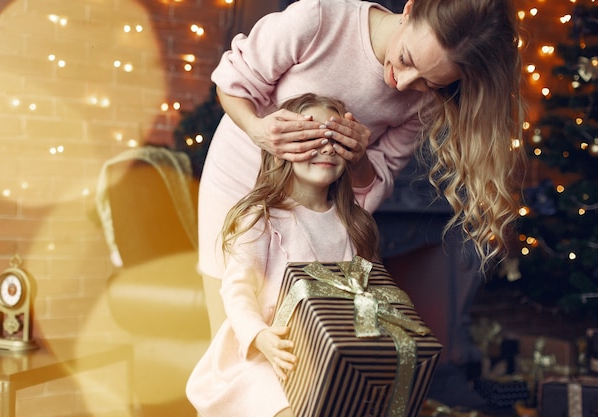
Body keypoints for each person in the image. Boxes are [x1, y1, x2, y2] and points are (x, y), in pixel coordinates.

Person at [199, 0, 525, 336]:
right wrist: (258, 130)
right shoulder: (318, 21)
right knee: (233, 330)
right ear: (410, 10)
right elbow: (232, 83)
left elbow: (374, 187)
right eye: (406, 59)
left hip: (317, 213)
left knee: (301, 339)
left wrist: (360, 160)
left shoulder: (427, 100)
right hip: (238, 183)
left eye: (429, 82)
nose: (402, 83)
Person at [186, 93, 381, 417]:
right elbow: (238, 289)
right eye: (311, 137)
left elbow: (361, 296)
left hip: (319, 353)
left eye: (334, 138)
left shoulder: (352, 224)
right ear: (279, 152)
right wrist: (260, 336)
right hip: (261, 352)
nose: (326, 147)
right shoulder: (260, 218)